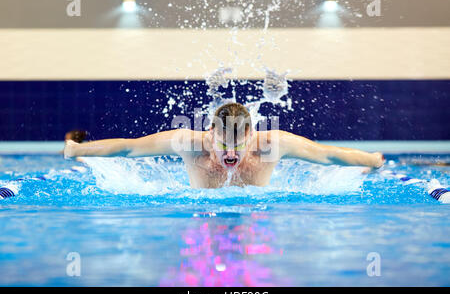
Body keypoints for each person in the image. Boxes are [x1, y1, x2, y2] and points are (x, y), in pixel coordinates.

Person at [64, 103, 384, 188]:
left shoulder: (271, 144)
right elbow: (129, 148)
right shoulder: (190, 143)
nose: (230, 154)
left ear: (251, 135)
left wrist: (371, 160)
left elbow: (328, 155)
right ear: (210, 132)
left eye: (238, 144)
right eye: (222, 143)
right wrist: (77, 150)